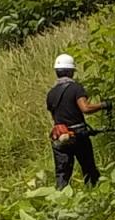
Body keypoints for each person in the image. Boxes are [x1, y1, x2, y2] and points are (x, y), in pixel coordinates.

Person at [46, 53, 110, 189]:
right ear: (70, 72)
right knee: (88, 168)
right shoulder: (76, 88)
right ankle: (94, 194)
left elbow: (54, 117)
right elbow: (85, 108)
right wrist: (103, 105)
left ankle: (61, 198)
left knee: (62, 173)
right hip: (78, 134)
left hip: (60, 136)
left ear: (57, 72)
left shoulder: (51, 94)